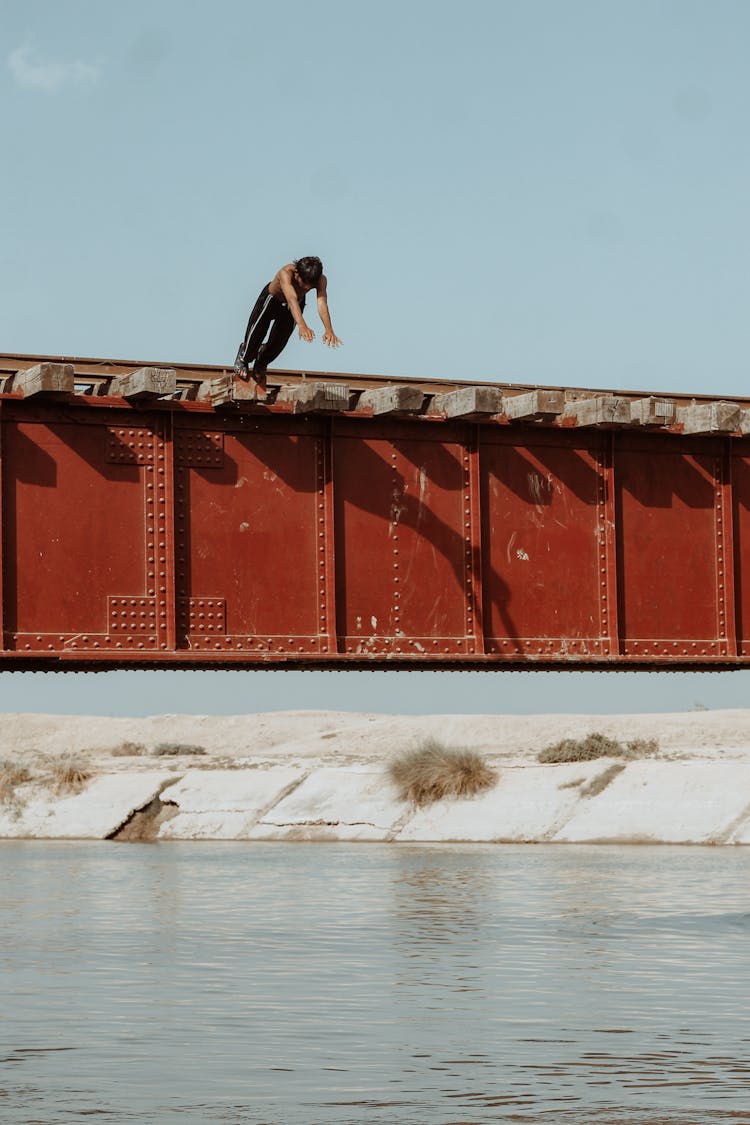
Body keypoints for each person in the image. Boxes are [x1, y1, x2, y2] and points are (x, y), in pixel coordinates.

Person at [233, 256, 342, 386]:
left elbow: (322, 303)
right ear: (297, 274)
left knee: (279, 341)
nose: (307, 288)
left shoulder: (321, 280)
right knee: (257, 332)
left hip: (293, 306)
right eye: (304, 283)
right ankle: (243, 358)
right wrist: (302, 325)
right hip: (272, 300)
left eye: (310, 286)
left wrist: (329, 329)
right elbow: (292, 299)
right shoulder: (286, 273)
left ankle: (261, 362)